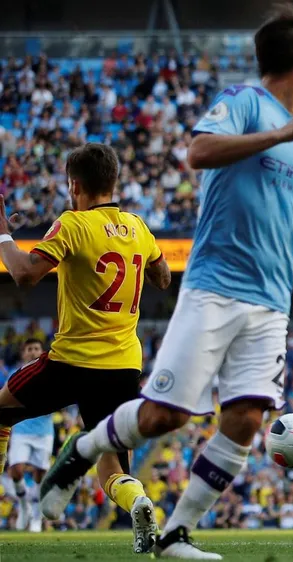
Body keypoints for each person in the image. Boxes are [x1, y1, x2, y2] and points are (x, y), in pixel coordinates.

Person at [39, 8, 293, 560]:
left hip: (271, 301)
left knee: (245, 419)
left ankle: (175, 535)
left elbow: (279, 222)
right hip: (216, 285)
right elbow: (197, 152)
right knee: (164, 416)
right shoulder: (245, 102)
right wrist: (282, 130)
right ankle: (85, 448)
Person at [0, 143, 169, 553]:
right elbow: (163, 277)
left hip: (72, 360)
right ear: (113, 181)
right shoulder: (137, 227)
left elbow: (23, 274)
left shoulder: (73, 225)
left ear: (74, 184)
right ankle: (139, 501)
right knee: (111, 466)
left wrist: (3, 232)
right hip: (124, 366)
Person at [2, 339, 52, 531]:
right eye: (29, 349)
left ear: (42, 352)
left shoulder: (49, 375)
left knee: (40, 474)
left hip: (44, 433)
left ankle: (37, 515)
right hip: (22, 430)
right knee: (16, 469)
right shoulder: (15, 377)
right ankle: (23, 505)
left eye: (36, 349)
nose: (32, 352)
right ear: (23, 353)